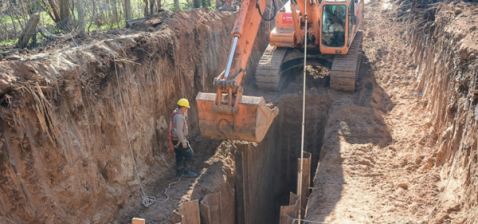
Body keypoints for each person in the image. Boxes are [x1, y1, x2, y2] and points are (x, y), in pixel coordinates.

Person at [169, 98, 197, 177]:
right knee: (189, 154)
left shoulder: (176, 113)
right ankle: (186, 172)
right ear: (183, 107)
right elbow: (179, 130)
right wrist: (183, 142)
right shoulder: (179, 117)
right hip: (179, 140)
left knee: (179, 155)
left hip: (175, 139)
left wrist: (185, 116)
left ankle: (179, 172)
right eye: (186, 107)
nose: (187, 109)